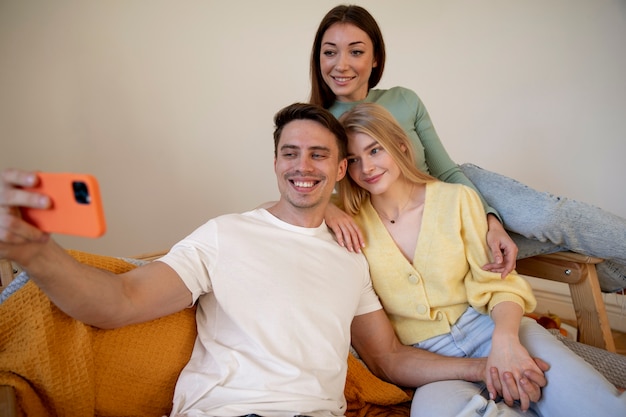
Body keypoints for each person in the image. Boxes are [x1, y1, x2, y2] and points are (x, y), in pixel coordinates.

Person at [0, 103, 546, 416]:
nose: (301, 165)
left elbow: (388, 361)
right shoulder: (224, 234)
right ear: (276, 163)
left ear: (339, 172)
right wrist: (38, 253)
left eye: (318, 155)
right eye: (290, 152)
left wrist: (488, 365)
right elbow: (117, 303)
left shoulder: (352, 254)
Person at [335, 101, 626, 417]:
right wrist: (325, 208)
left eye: (375, 151)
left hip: (493, 329)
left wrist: (506, 342)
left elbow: (499, 284)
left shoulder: (457, 199)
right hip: (430, 362)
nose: (366, 168)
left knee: (593, 405)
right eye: (353, 160)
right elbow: (287, 204)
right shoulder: (349, 224)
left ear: (401, 146)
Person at [309, 4, 626, 293]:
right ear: (318, 58)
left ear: (375, 58)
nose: (341, 65)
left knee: (546, 220)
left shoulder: (404, 99)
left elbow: (446, 170)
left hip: (461, 188)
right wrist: (328, 207)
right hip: (420, 222)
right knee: (530, 245)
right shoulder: (317, 125)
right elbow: (305, 190)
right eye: (330, 52)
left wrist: (491, 220)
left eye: (356, 52)